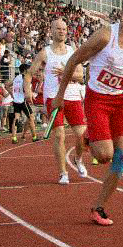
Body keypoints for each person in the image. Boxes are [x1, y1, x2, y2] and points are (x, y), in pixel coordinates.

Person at [51, 0, 123, 226]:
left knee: (122, 157)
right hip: (97, 99)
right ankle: (90, 137)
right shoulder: (105, 36)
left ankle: (98, 207)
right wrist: (59, 96)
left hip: (122, 101)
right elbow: (73, 61)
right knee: (104, 156)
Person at [30, 18, 88, 184]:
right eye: (58, 29)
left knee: (81, 135)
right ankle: (63, 172)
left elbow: (80, 76)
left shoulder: (73, 51)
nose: (62, 31)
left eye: (64, 29)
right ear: (52, 30)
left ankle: (78, 159)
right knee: (59, 136)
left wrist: (65, 72)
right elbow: (30, 72)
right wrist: (28, 90)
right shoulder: (45, 53)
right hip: (53, 98)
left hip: (73, 97)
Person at [10, 64, 39, 144]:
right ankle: (34, 136)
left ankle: (14, 137)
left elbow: (7, 85)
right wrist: (30, 98)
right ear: (25, 70)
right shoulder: (26, 78)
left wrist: (13, 95)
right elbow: (26, 89)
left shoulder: (16, 77)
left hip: (16, 101)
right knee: (31, 117)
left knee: (16, 118)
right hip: (23, 100)